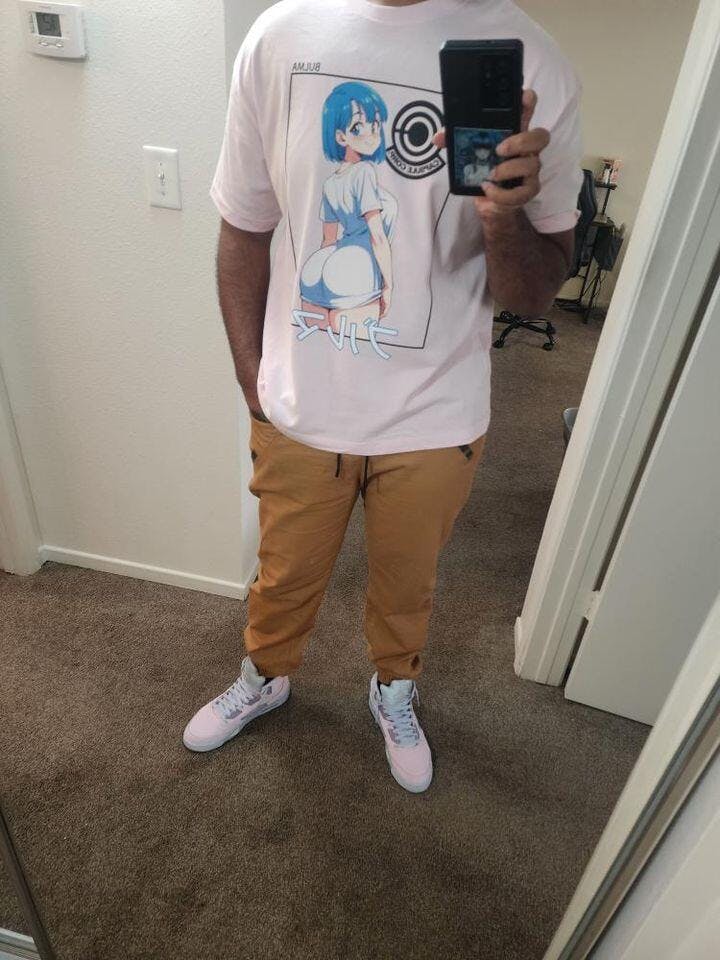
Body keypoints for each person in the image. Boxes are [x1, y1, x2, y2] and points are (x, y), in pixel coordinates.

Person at [183, 0, 582, 794]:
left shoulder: (533, 61)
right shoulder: (280, 36)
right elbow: (244, 226)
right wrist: (250, 375)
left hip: (437, 414)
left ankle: (394, 689)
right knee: (283, 573)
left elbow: (534, 294)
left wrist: (503, 214)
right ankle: (265, 674)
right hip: (300, 406)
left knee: (408, 585)